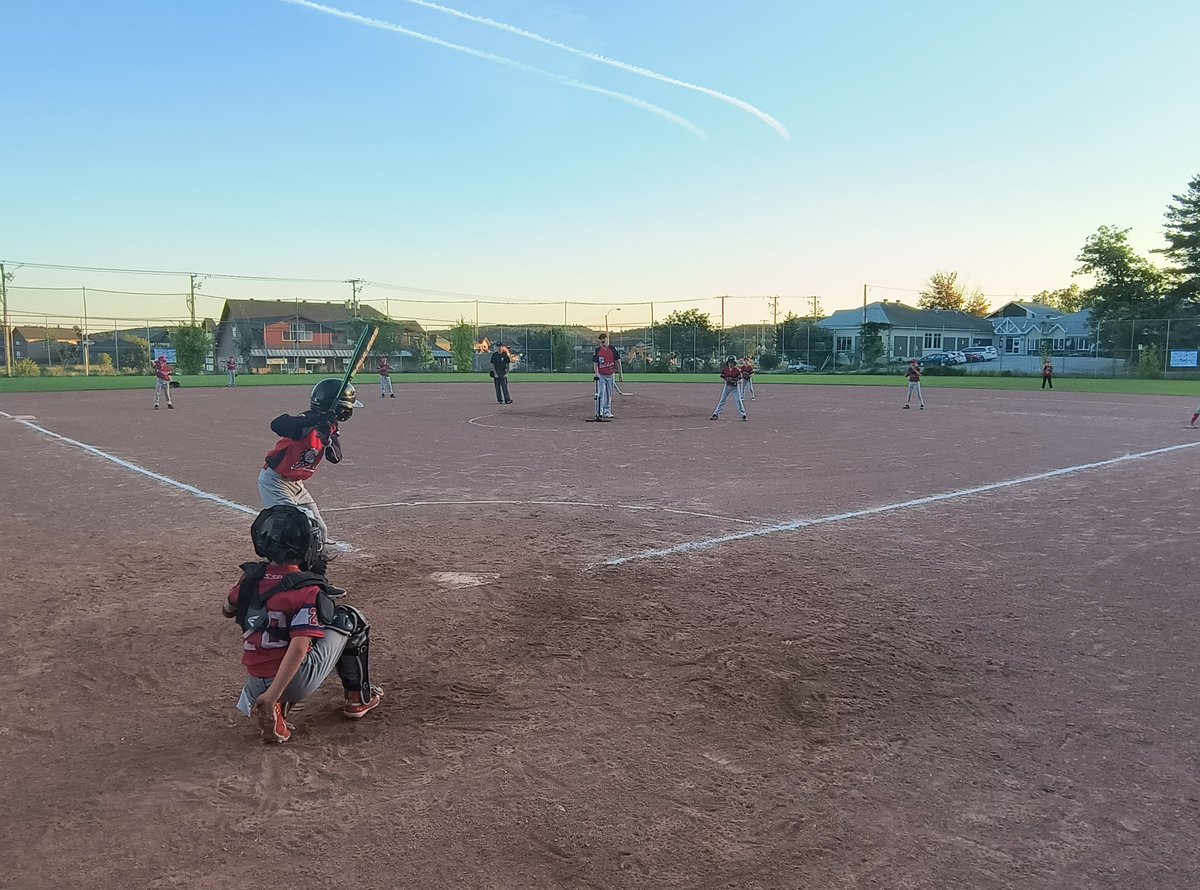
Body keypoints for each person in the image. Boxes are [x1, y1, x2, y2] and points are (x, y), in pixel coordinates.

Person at [224, 505, 382, 743]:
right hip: (292, 683)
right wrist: (271, 696)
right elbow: (298, 649)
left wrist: (246, 585)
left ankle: (277, 706)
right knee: (348, 618)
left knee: (291, 630)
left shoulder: (251, 578)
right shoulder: (307, 588)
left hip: (256, 682)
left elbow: (227, 610)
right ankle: (358, 698)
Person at [258, 378, 362, 560]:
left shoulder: (329, 426)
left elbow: (335, 457)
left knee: (320, 528)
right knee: (301, 524)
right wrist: (315, 421)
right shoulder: (305, 422)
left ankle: (317, 564)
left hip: (297, 484)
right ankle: (279, 563)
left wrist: (327, 438)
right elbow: (278, 424)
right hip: (275, 481)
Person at [592, 332, 623, 419]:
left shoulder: (612, 349)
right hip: (601, 375)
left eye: (604, 338)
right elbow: (595, 363)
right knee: (601, 393)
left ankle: (607, 411)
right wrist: (597, 373)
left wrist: (620, 374)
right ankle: (599, 411)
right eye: (601, 339)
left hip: (610, 374)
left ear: (607, 340)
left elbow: (618, 362)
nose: (603, 340)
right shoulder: (598, 350)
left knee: (609, 394)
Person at [710, 355, 748, 421]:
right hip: (727, 386)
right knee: (722, 400)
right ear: (728, 362)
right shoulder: (725, 370)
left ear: (734, 363)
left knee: (738, 400)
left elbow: (739, 378)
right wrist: (727, 379)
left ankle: (743, 415)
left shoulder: (737, 370)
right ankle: (715, 414)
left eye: (732, 362)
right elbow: (723, 376)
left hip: (735, 387)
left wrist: (734, 380)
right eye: (730, 362)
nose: (731, 363)